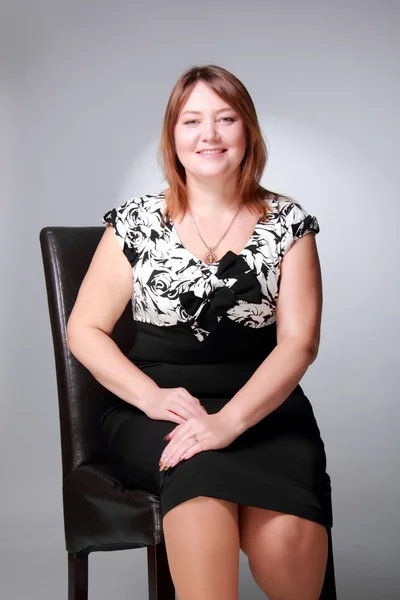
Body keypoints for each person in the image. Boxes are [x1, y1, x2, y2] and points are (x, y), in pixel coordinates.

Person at [67, 64, 333, 600]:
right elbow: (85, 329)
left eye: (226, 118)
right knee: (202, 501)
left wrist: (229, 422)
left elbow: (299, 343)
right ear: (172, 136)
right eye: (192, 121)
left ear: (248, 133)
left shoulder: (289, 223)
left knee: (288, 540)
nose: (209, 135)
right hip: (163, 407)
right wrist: (153, 397)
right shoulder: (136, 222)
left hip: (263, 409)